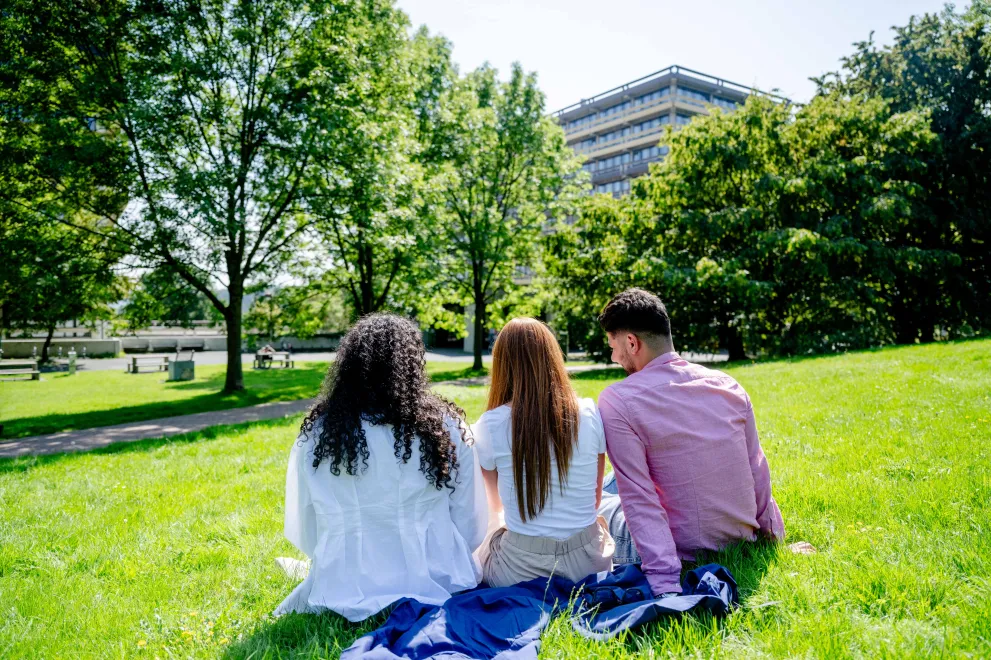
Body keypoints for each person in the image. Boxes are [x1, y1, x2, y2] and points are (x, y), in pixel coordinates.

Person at [275, 314, 488, 621]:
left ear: (349, 365)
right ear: (413, 365)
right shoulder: (446, 426)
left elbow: (305, 526)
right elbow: (470, 520)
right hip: (437, 575)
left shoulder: (320, 431)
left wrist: (330, 557)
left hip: (345, 580)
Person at [596, 289, 785, 597]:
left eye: (613, 346)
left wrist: (665, 583)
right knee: (615, 479)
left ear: (632, 342)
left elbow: (640, 499)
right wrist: (773, 537)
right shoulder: (728, 386)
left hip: (676, 549)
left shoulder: (619, 400)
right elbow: (757, 470)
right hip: (740, 535)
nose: (614, 357)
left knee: (588, 504)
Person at [473, 318, 614, 587]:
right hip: (589, 563)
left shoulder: (491, 425)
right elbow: (594, 499)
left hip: (520, 569)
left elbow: (496, 507)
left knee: (483, 538)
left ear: (502, 365)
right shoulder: (588, 412)